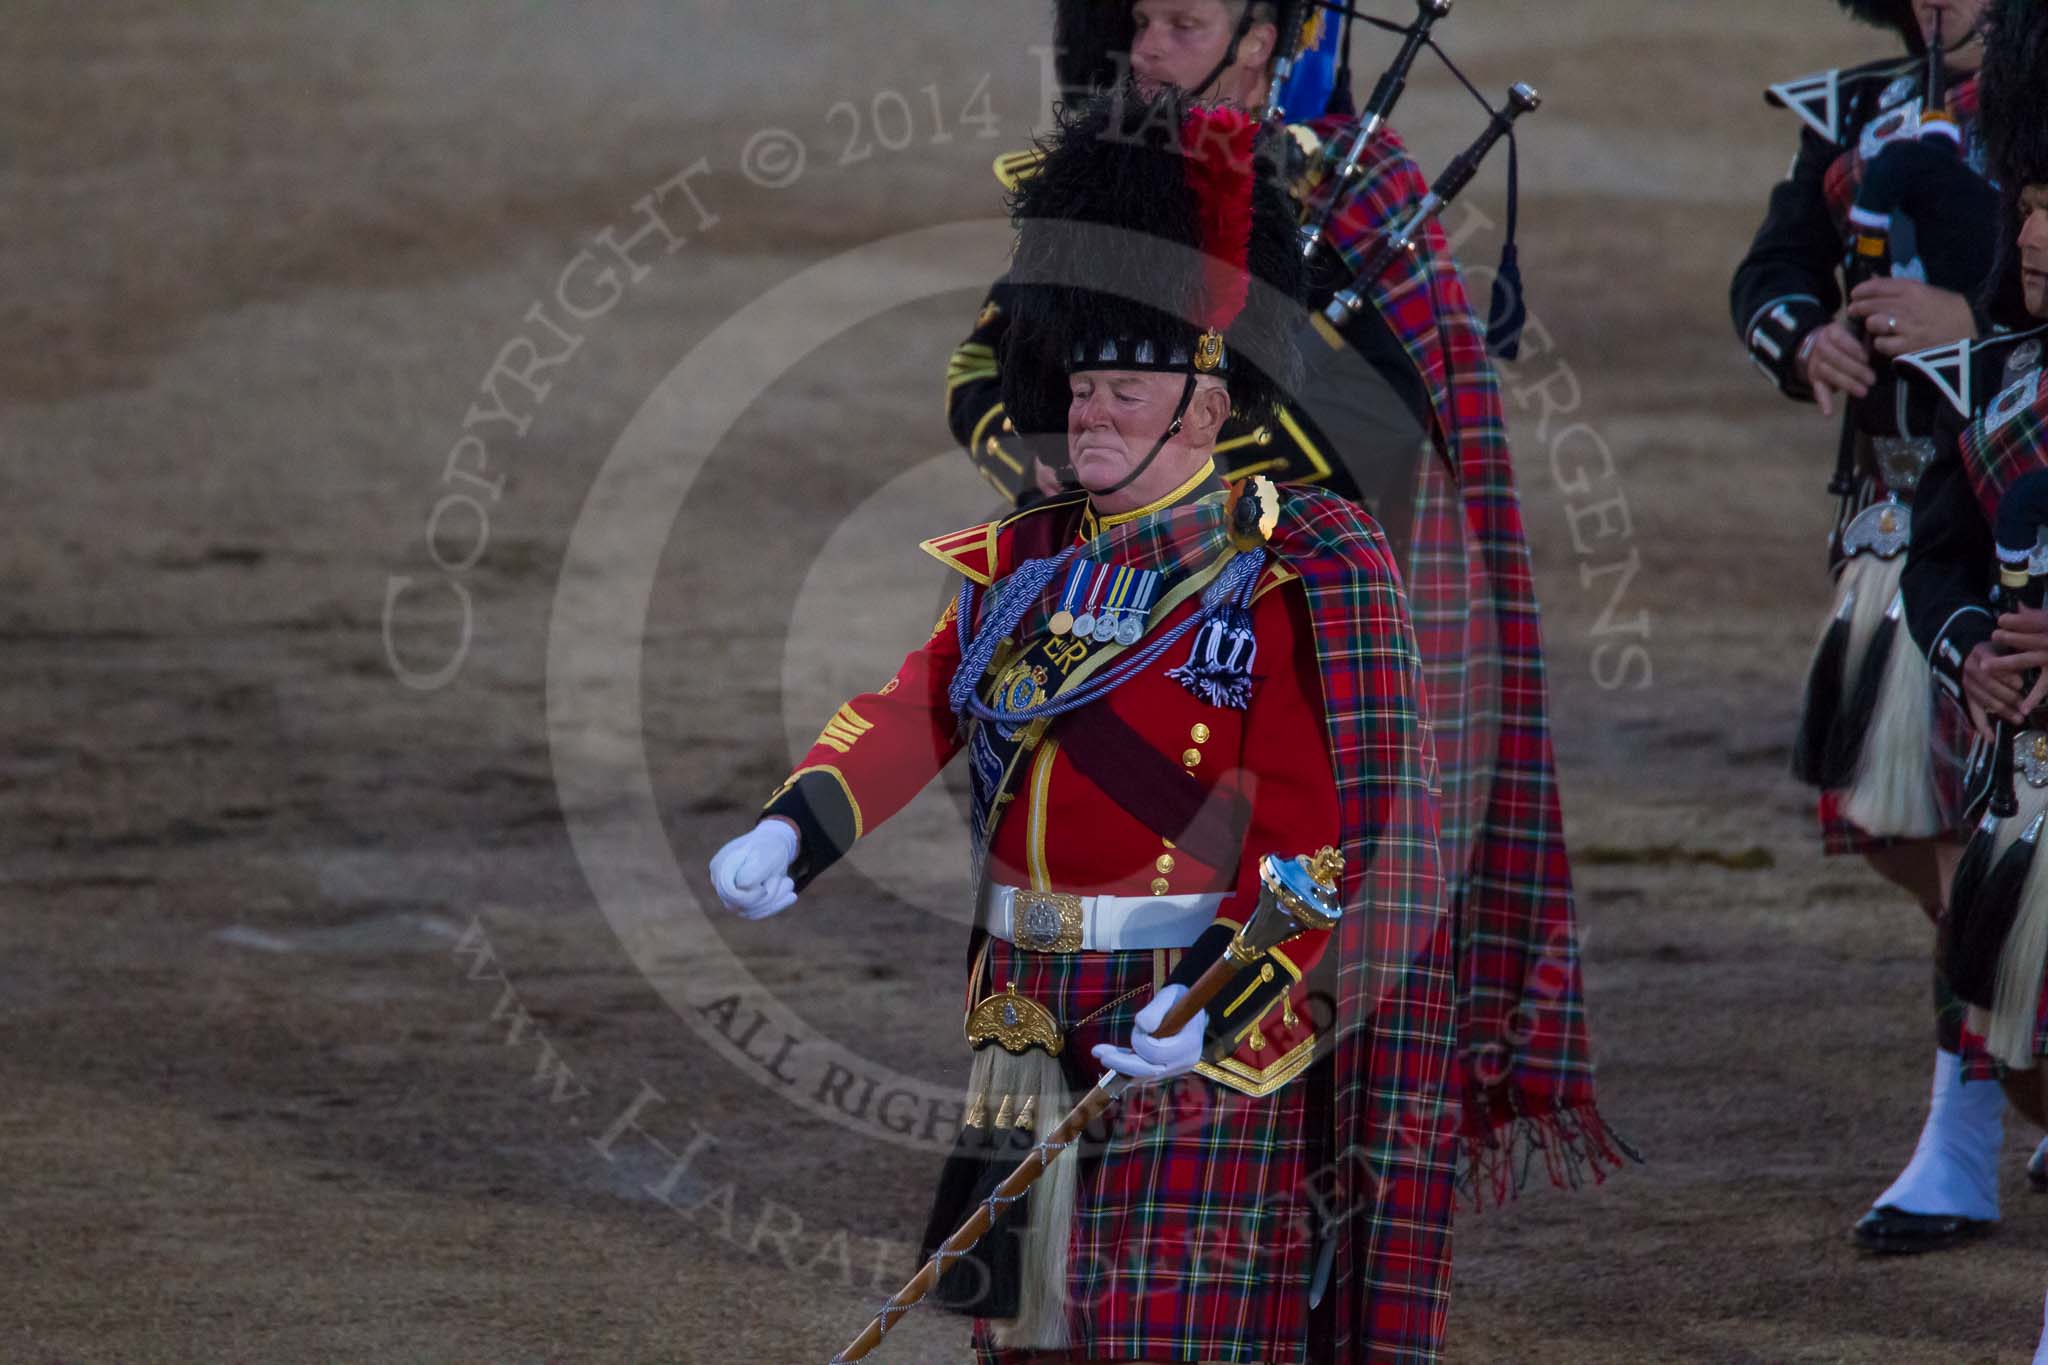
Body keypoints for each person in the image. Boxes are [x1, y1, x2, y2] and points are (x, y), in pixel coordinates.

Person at [712, 87, 1458, 1363]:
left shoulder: (1289, 564)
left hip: (1190, 1014)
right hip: (1021, 1016)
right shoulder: (1020, 560)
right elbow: (916, 708)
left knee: (1162, 1343)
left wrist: (1215, 1002)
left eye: (1127, 388)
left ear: (1210, 406)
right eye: (1083, 384)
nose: (1092, 413)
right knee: (1028, 1345)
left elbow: (1317, 832)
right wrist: (798, 826)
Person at [946, 0, 1624, 1207]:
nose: (1146, 45)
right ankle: (1072, 1202)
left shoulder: (1365, 196)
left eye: (1184, 20)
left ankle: (1295, 1204)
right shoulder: (1100, 177)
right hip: (1108, 609)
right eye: (1138, 18)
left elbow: (1413, 437)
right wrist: (1045, 458)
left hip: (1292, 623)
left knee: (1295, 907)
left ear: (1264, 37)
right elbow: (985, 368)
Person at [1730, 0, 2011, 1254]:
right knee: (1911, 835)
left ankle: (1962, 1135)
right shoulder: (1853, 112)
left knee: (1981, 845)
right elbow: (1771, 270)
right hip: (1899, 522)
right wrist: (1811, 340)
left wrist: (1984, 334)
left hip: (2023, 535)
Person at [1896, 0, 2048, 1283]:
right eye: (2030, 202)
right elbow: (1936, 556)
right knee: (2014, 1042)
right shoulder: (2004, 380)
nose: (2037, 235)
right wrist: (1966, 654)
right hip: (2029, 791)